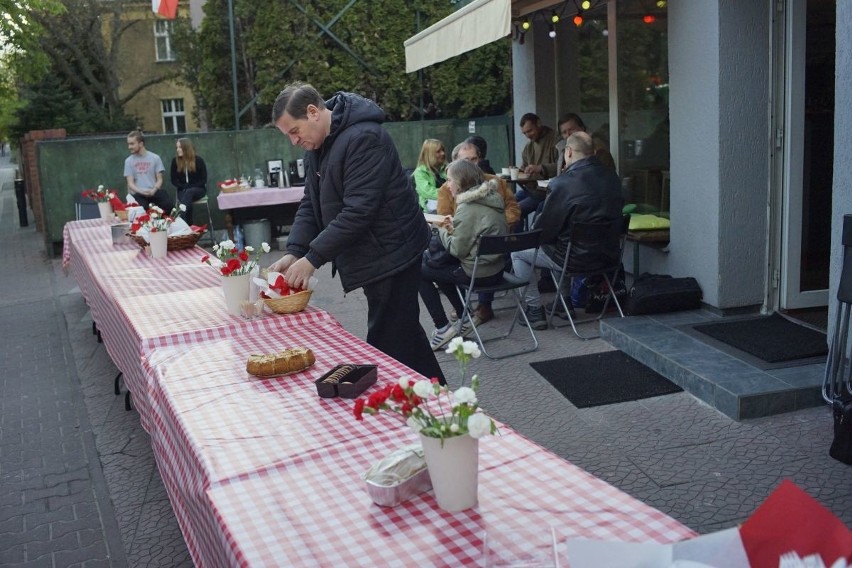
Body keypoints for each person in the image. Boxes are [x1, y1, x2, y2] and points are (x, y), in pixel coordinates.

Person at [267, 82, 445, 384]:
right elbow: (311, 203)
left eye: (294, 131)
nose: (294, 141)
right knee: (402, 337)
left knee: (389, 341)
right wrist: (295, 250)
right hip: (376, 252)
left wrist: (312, 258)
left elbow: (359, 211)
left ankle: (427, 408)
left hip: (394, 250)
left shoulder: (364, 137)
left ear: (312, 112)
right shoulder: (319, 145)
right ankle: (441, 406)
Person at [511, 132, 624, 330]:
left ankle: (534, 308)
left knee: (519, 253)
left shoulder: (562, 183)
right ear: (593, 152)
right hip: (609, 257)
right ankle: (564, 304)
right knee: (559, 244)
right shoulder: (612, 177)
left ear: (569, 152)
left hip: (573, 260)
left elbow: (543, 231)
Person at [420, 160, 508, 350]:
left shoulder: (468, 207)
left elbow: (457, 250)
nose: (447, 184)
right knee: (435, 265)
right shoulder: (492, 198)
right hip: (497, 269)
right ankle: (464, 316)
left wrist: (439, 228)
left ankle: (442, 327)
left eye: (449, 180)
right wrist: (454, 227)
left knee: (420, 270)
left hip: (479, 274)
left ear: (460, 182)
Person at [436, 141, 521, 325]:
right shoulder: (446, 189)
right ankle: (461, 304)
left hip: (486, 251)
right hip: (467, 242)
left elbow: (513, 208)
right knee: (446, 253)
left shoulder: (495, 182)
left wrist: (492, 224)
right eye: (467, 160)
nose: (472, 164)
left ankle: (478, 307)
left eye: (475, 159)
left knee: (435, 261)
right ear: (455, 164)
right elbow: (444, 217)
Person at [515, 113, 560, 220]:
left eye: (530, 131)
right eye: (524, 133)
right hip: (531, 190)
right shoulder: (528, 147)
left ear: (539, 124)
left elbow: (564, 166)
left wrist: (541, 168)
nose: (528, 135)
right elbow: (524, 168)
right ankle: (515, 235)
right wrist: (519, 172)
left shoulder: (556, 140)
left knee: (515, 210)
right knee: (505, 203)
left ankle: (520, 236)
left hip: (548, 192)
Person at [124, 130, 173, 211]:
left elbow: (160, 180)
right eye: (128, 144)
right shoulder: (128, 161)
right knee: (141, 209)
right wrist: (142, 192)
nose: (129, 147)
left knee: (168, 205)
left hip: (154, 191)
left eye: (132, 144)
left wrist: (153, 190)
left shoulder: (155, 158)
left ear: (141, 144)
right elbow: (130, 183)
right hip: (138, 193)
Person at [170, 138, 207, 225]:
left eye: (180, 147)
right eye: (177, 147)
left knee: (189, 193)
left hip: (198, 189)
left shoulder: (198, 161)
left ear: (186, 148)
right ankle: (190, 226)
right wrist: (183, 186)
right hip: (182, 189)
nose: (178, 150)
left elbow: (203, 180)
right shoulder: (175, 162)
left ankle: (179, 220)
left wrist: (190, 187)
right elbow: (174, 180)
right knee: (187, 197)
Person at [412, 139, 447, 212]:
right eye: (438, 151)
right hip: (431, 211)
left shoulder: (447, 168)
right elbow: (428, 193)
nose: (443, 153)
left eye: (443, 150)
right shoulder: (420, 172)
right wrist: (449, 195)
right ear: (429, 154)